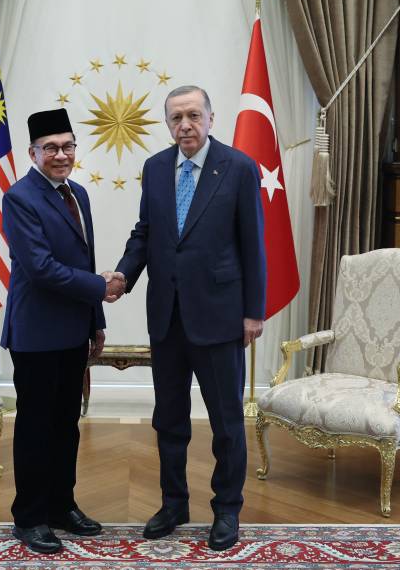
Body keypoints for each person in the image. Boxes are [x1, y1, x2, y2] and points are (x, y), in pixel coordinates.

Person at [112, 85, 266, 551]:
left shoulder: (239, 167)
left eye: (194, 116)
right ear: (168, 124)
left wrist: (253, 312)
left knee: (226, 422)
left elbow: (253, 244)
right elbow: (145, 233)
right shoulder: (156, 168)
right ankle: (173, 503)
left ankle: (227, 509)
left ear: (211, 119)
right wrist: (123, 275)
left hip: (220, 317)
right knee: (169, 419)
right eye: (176, 118)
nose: (185, 125)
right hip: (167, 317)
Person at [1, 107, 124, 554]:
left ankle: (61, 505)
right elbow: (40, 268)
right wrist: (101, 288)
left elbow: (83, 262)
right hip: (36, 333)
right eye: (50, 148)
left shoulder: (79, 194)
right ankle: (30, 517)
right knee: (36, 427)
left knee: (66, 425)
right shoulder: (19, 198)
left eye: (67, 146)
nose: (61, 155)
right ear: (33, 153)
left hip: (74, 331)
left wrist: (96, 322)